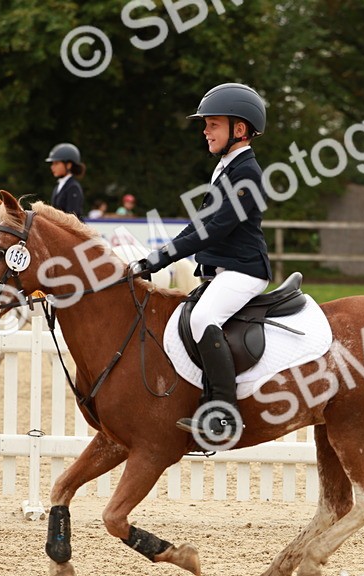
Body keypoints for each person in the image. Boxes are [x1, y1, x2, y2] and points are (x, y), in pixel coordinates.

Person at [139, 82, 271, 441]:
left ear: (238, 130)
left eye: (212, 124)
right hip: (224, 271)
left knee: (202, 317)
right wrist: (156, 257)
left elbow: (214, 229)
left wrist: (159, 259)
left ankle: (224, 414)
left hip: (244, 270)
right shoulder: (226, 168)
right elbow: (198, 225)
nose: (205, 130)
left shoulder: (247, 172)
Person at [46, 142, 85, 219]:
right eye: (52, 164)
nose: (52, 167)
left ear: (68, 165)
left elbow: (72, 217)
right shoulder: (58, 186)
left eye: (56, 163)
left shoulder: (73, 187)